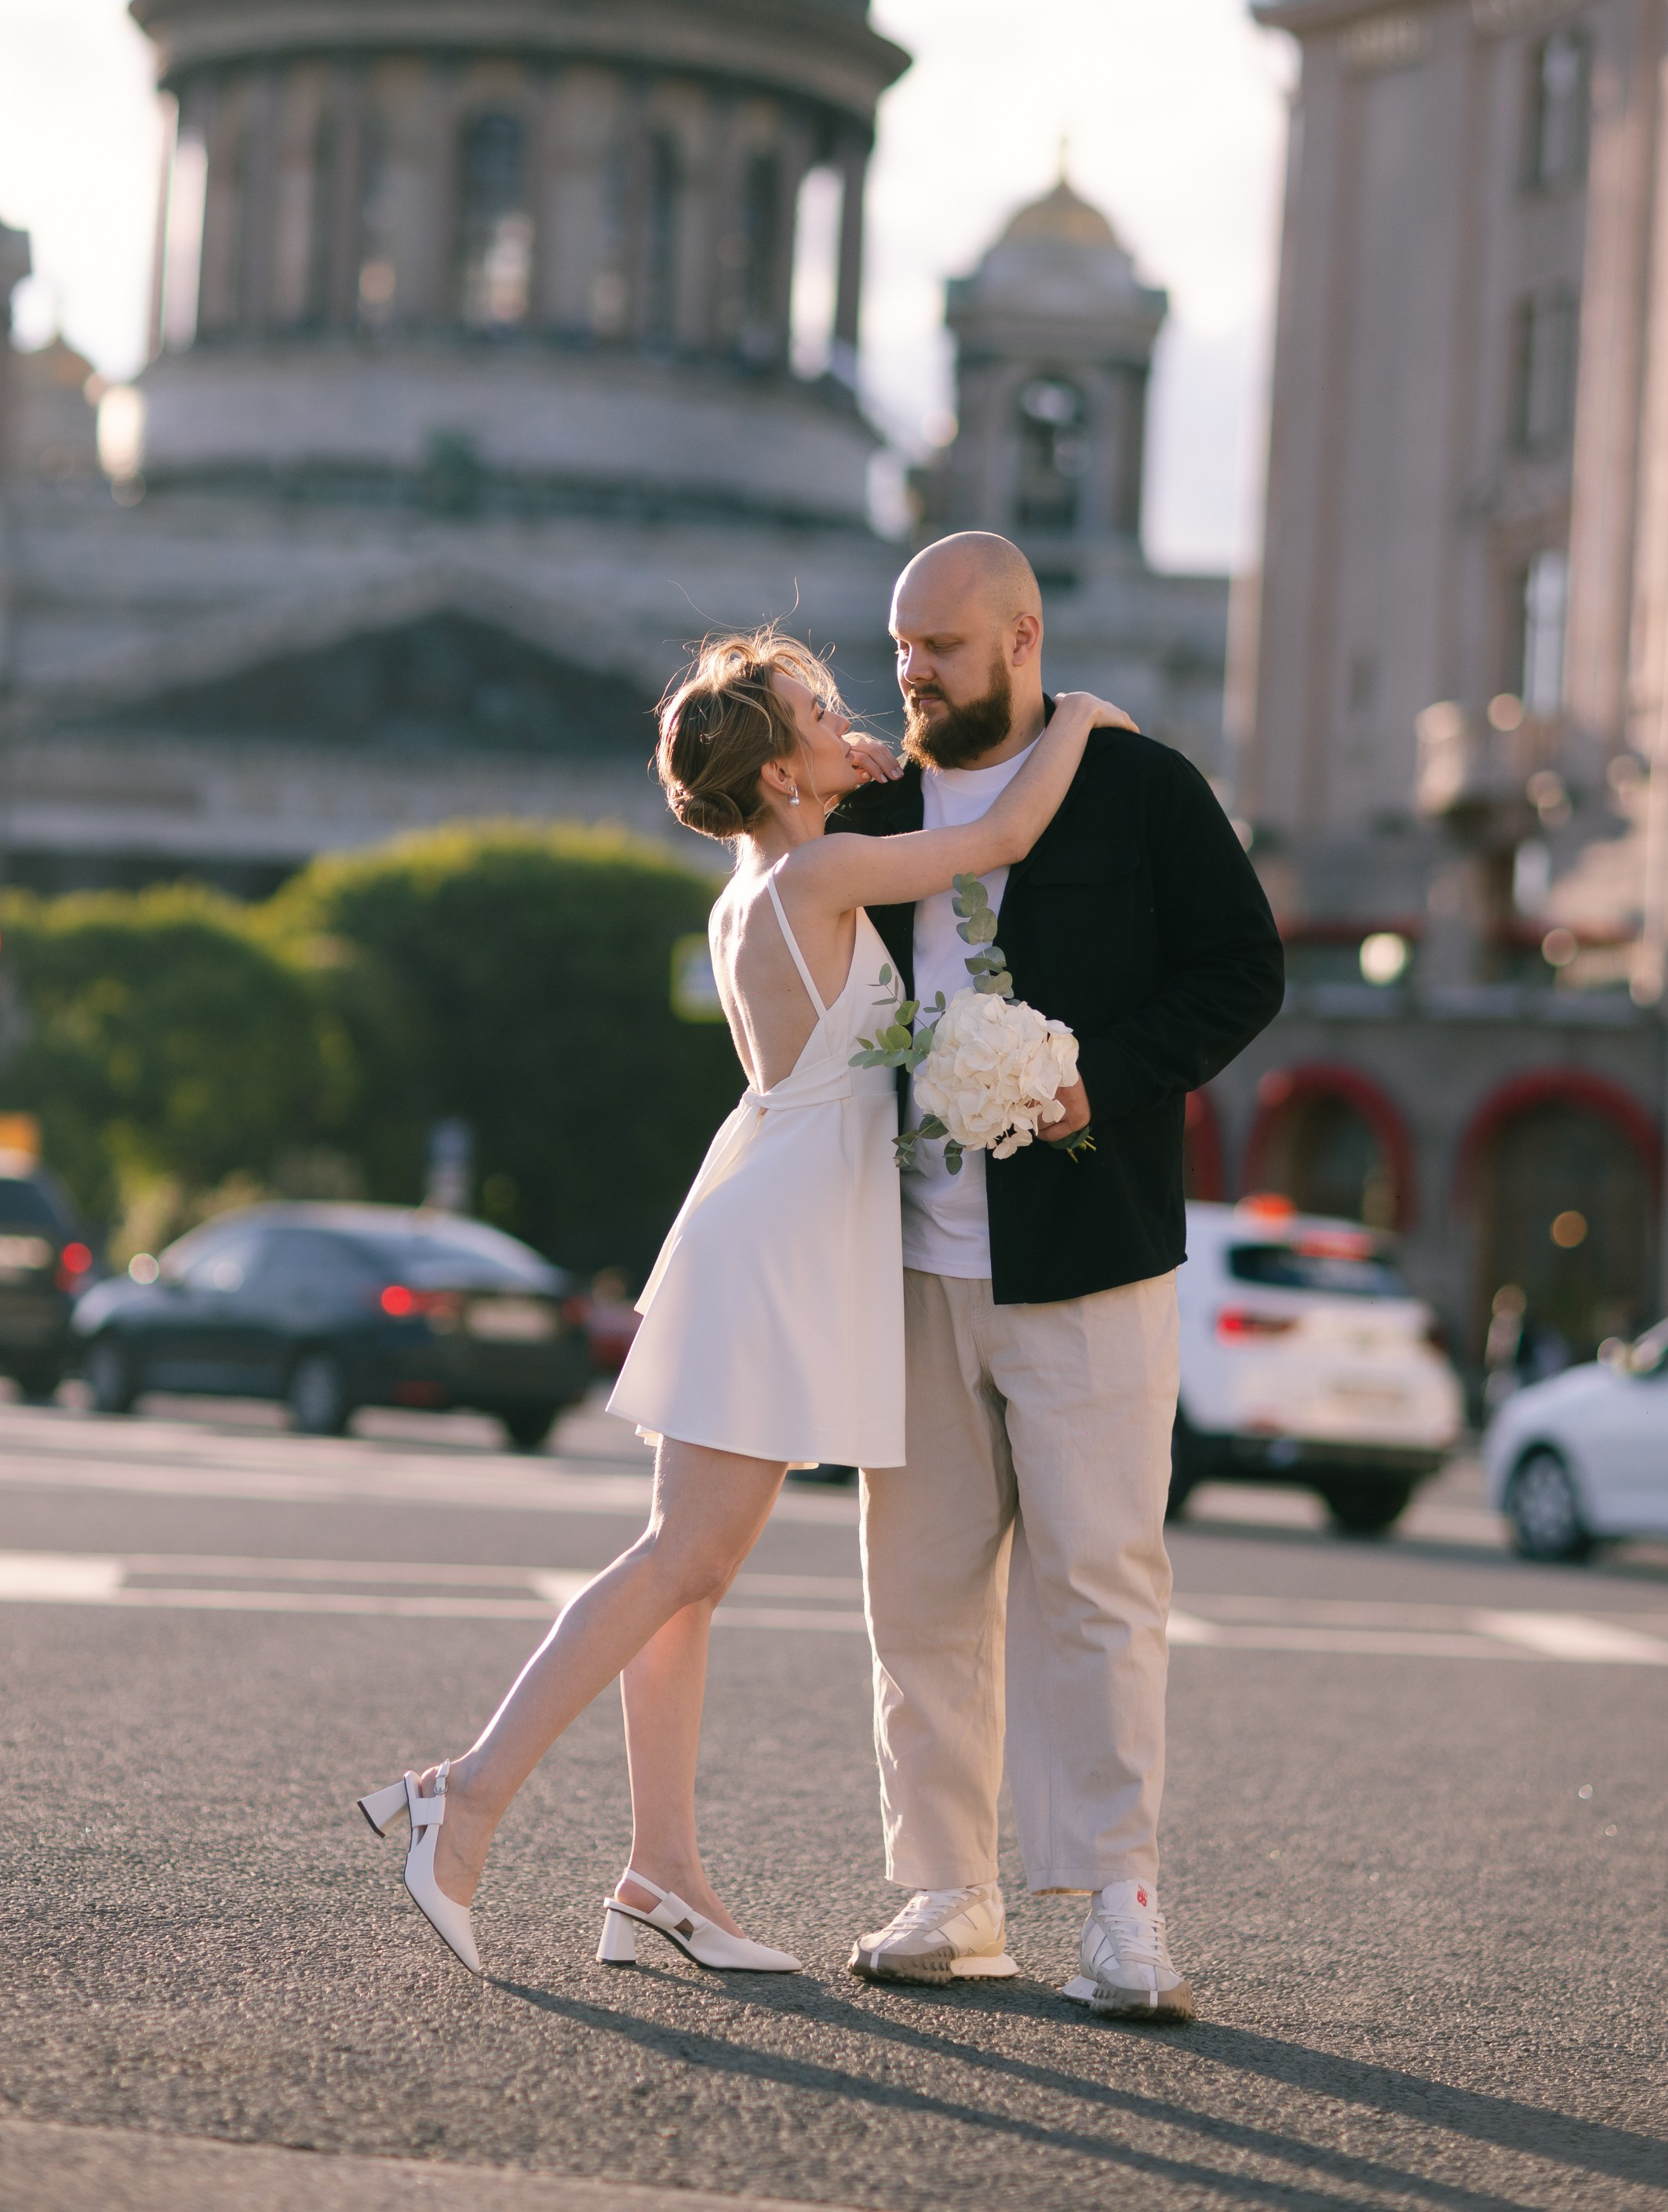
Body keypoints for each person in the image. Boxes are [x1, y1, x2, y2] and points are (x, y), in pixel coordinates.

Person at [359, 628, 1127, 1980]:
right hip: (774, 1242)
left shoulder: (762, 879)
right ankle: (463, 1795)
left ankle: (661, 1879)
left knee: (687, 1574)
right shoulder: (822, 871)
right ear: (777, 777)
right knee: (683, 1562)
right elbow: (1000, 832)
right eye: (823, 714)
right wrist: (1080, 720)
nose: (854, 723)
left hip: (762, 1217)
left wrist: (836, 773)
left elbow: (840, 838)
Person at [831, 532, 1284, 2020]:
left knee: (1100, 1585)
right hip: (908, 1263)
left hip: (1093, 1258)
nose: (908, 671)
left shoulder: (1144, 790)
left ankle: (1121, 1911)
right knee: (919, 1591)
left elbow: (1239, 971)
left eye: (938, 648)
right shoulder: (878, 800)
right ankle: (947, 1895)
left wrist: (1107, 1079)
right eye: (898, 644)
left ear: (1020, 640)